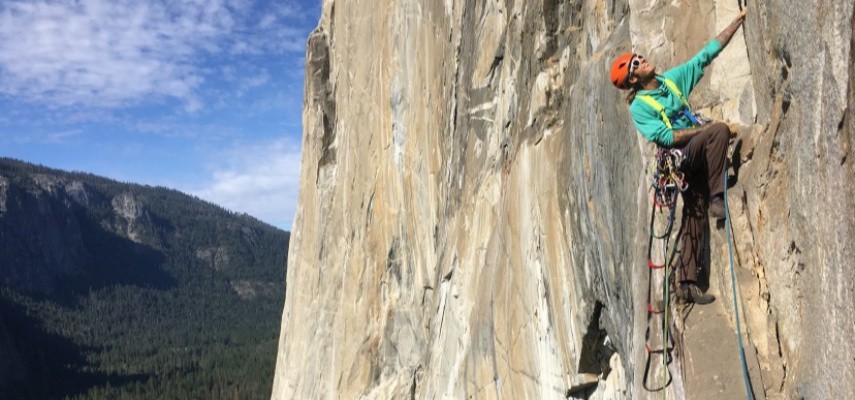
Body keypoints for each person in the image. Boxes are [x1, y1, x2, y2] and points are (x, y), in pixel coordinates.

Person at [610, 9, 748, 304]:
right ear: (633, 78)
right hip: (680, 156)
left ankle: (685, 285)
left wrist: (736, 23)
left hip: (694, 152)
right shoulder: (640, 108)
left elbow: (704, 56)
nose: (642, 59)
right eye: (637, 62)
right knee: (719, 131)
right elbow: (667, 137)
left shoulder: (670, 81)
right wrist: (705, 130)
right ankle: (717, 197)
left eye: (639, 56)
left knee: (693, 213)